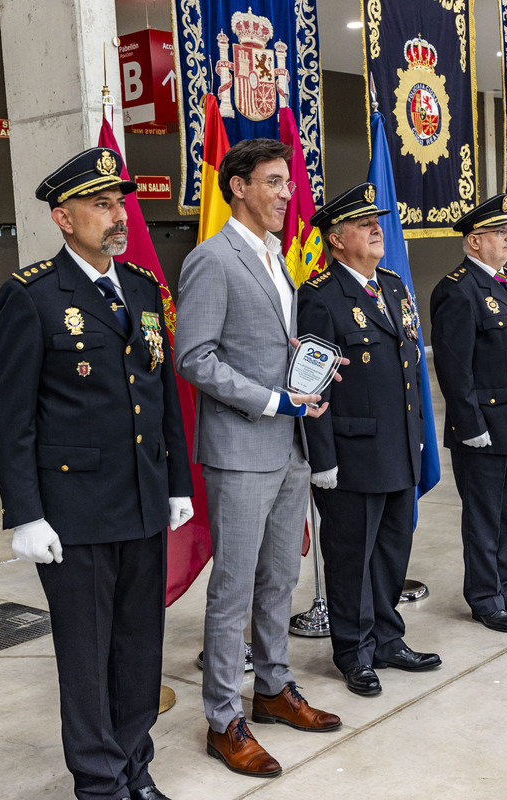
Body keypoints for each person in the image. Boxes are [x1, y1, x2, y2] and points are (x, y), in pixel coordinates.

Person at [0, 147, 194, 800]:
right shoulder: (33, 296)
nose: (116, 215)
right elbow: (11, 417)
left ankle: (135, 767)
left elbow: (160, 395)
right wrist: (24, 513)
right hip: (73, 514)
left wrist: (179, 483)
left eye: (119, 203)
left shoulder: (140, 288)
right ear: (63, 217)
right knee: (87, 661)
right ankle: (100, 784)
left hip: (141, 504)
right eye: (101, 205)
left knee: (139, 651)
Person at [173, 138, 341, 780]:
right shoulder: (212, 260)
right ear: (238, 186)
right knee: (233, 588)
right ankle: (223, 718)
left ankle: (272, 689)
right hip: (242, 449)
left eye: (287, 183)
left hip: (290, 444)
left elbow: (269, 342)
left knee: (278, 581)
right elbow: (196, 357)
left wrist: (311, 370)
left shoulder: (277, 260)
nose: (285, 194)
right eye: (273, 182)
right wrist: (275, 398)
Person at [298, 183, 436, 698]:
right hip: (352, 456)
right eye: (363, 223)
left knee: (392, 552)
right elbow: (309, 385)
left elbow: (407, 375)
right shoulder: (320, 298)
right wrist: (322, 459)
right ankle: (353, 652)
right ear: (336, 239)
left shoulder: (395, 287)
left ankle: (386, 638)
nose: (378, 229)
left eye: (377, 221)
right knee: (352, 557)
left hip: (398, 450)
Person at [429, 193, 507, 634]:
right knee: (484, 516)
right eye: (501, 233)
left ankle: (506, 585)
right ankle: (483, 595)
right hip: (485, 427)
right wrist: (469, 423)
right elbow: (453, 367)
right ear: (474, 241)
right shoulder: (457, 290)